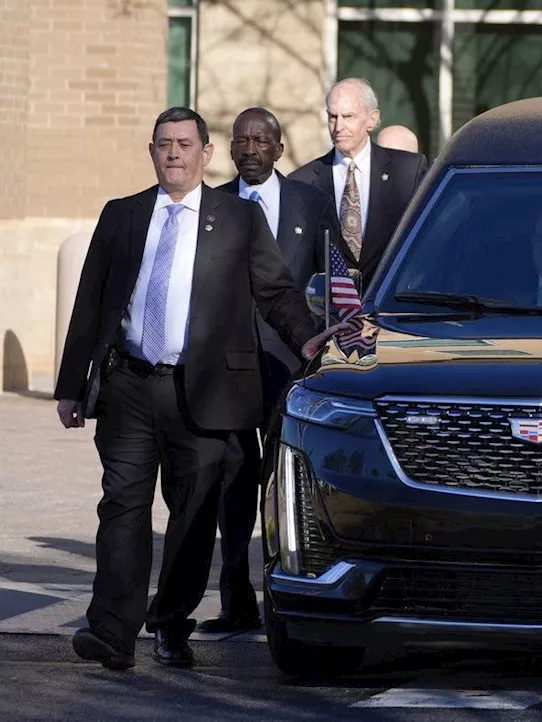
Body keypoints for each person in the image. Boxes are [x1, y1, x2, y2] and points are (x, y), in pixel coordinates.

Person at [55, 107, 349, 671]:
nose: (174, 154)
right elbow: (90, 301)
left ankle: (170, 622)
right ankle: (112, 632)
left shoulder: (236, 218)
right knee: (122, 506)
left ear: (205, 153)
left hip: (206, 393)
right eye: (164, 144)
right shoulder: (122, 215)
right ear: (151, 150)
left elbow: (277, 290)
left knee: (192, 515)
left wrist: (309, 340)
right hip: (130, 388)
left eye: (185, 144)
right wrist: (72, 386)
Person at [199, 107, 340, 634]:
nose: (251, 148)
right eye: (242, 140)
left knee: (282, 486)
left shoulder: (310, 203)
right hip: (229, 370)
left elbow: (338, 275)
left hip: (289, 368)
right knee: (231, 486)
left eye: (262, 140)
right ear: (230, 149)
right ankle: (235, 602)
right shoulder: (213, 207)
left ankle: (286, 601)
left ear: (280, 150)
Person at [290, 78, 428, 285]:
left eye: (348, 116)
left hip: (390, 307)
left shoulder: (407, 172)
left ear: (372, 120)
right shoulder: (303, 181)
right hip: (329, 311)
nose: (338, 126)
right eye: (332, 117)